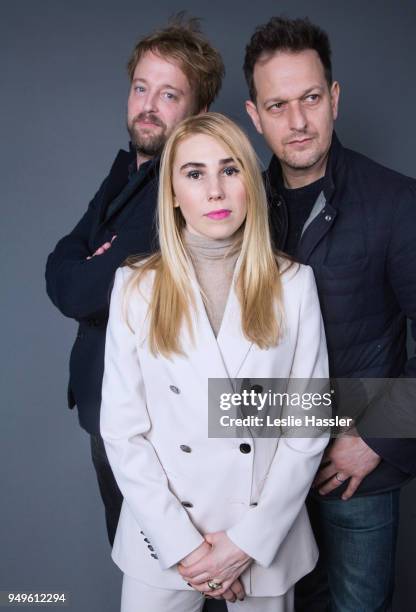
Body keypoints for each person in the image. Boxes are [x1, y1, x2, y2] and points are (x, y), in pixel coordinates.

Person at [243, 16, 416, 612]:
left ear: (334, 99)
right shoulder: (238, 209)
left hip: (351, 477)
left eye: (311, 98)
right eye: (277, 105)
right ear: (255, 116)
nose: (297, 121)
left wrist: (375, 438)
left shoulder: (401, 203)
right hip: (259, 477)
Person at [99, 112, 329, 612]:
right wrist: (188, 549)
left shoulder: (294, 284)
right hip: (162, 542)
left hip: (264, 539)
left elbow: (306, 429)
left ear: (250, 181)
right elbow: (122, 431)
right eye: (194, 173)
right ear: (174, 193)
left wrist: (243, 544)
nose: (215, 191)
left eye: (230, 170)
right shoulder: (136, 288)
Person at [45, 16, 224, 548]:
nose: (148, 104)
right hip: (109, 413)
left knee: (179, 568)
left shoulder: (181, 187)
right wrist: (87, 259)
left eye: (169, 94)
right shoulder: (128, 171)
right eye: (141, 88)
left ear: (199, 113)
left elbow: (78, 290)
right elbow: (62, 262)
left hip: (151, 427)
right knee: (143, 568)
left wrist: (87, 262)